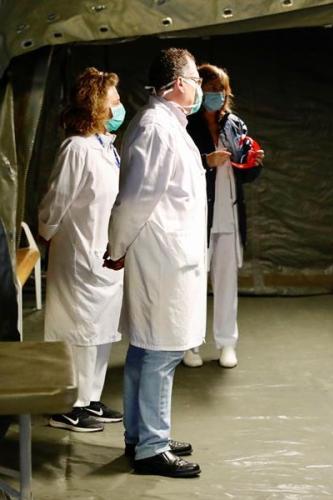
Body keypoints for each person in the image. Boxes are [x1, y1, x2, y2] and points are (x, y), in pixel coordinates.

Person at [105, 48, 205, 478]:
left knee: (148, 349)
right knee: (161, 351)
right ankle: (151, 447)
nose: (199, 88)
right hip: (163, 256)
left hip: (168, 253)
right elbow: (135, 198)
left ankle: (142, 434)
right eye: (196, 79)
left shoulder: (166, 124)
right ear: (179, 83)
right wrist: (116, 247)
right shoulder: (155, 128)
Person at [38, 67, 125, 432]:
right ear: (95, 106)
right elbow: (56, 201)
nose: (120, 107)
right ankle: (66, 405)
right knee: (77, 331)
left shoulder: (105, 147)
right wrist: (47, 233)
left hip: (103, 253)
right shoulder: (76, 148)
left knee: (100, 331)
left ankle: (89, 398)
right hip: (77, 252)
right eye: (113, 101)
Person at [184, 64, 264, 369]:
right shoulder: (186, 125)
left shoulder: (234, 124)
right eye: (210, 90)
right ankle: (189, 344)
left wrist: (254, 163)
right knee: (193, 284)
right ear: (199, 90)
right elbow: (178, 170)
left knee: (227, 284)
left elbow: (245, 174)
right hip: (197, 218)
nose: (216, 95)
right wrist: (207, 161)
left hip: (229, 216)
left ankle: (227, 343)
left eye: (220, 90)